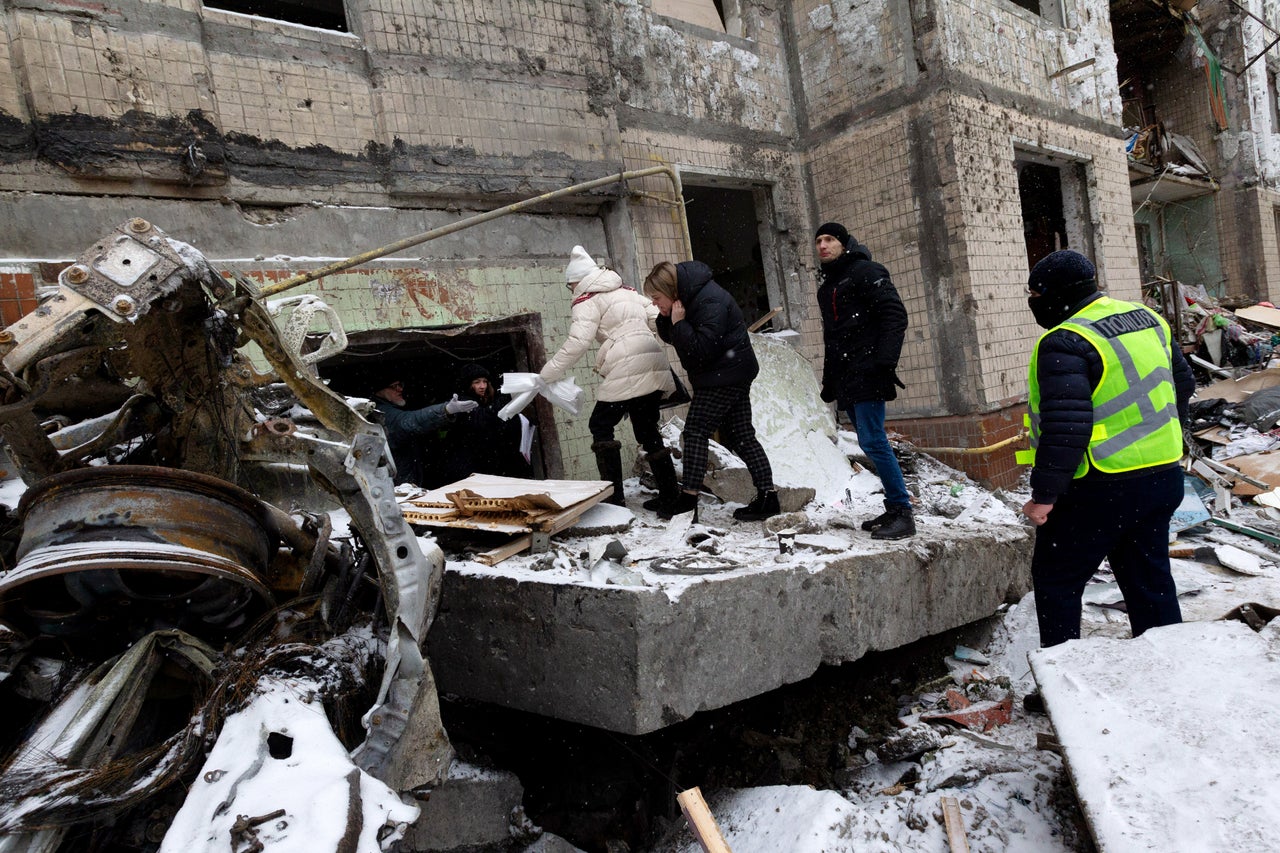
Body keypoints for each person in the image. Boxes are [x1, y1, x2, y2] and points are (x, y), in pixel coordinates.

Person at [1018, 249, 1194, 647]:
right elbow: (1182, 386)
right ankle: (1172, 670)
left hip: (1099, 488)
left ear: (1053, 294)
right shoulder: (1147, 318)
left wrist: (1044, 497)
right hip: (1162, 478)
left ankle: (1066, 682)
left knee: (1057, 581)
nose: (1032, 303)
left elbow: (1066, 428)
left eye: (1033, 294)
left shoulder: (1066, 341)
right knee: (1150, 583)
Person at [539, 246, 678, 507]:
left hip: (627, 365)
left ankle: (615, 500)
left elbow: (577, 344)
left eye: (571, 286)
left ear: (578, 281)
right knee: (647, 428)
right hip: (652, 359)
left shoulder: (588, 300)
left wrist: (546, 375)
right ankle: (670, 496)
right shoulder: (628, 291)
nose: (572, 291)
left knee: (600, 425)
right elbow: (657, 318)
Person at [644, 260, 779, 522]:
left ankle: (688, 500)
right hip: (728, 372)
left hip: (724, 376)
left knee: (695, 432)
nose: (653, 302)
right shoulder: (687, 299)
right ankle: (768, 497)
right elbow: (674, 337)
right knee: (742, 436)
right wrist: (668, 317)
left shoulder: (709, 300)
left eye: (656, 297)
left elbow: (701, 350)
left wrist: (679, 323)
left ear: (671, 291)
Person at [814, 222, 914, 540]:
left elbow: (894, 313)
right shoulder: (827, 287)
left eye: (829, 239)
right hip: (847, 374)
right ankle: (895, 507)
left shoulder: (866, 271)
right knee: (870, 442)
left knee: (873, 441)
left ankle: (903, 512)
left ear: (844, 243)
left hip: (868, 369)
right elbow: (833, 338)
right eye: (818, 241)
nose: (822, 245)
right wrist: (830, 380)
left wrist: (884, 362)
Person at [371, 374, 477, 487]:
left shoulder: (391, 407)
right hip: (398, 484)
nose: (400, 389)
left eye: (400, 385)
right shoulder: (382, 413)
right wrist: (445, 410)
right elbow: (411, 421)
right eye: (394, 386)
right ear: (380, 390)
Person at [443, 362, 533, 482]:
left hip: (481, 463)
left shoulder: (484, 401)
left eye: (485, 381)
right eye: (477, 382)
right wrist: (507, 397)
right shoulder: (461, 403)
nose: (482, 386)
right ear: (467, 384)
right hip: (466, 466)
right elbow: (481, 419)